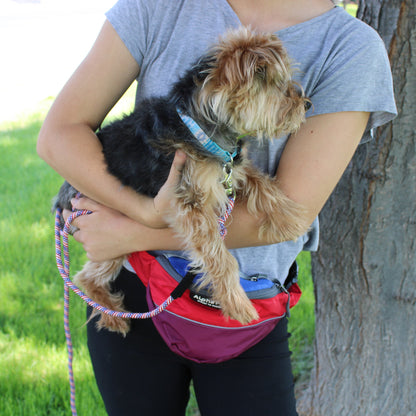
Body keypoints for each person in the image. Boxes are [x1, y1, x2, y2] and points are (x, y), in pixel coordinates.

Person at [37, 0, 397, 415]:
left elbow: (285, 217)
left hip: (246, 300)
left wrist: (133, 229)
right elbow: (59, 134)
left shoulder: (349, 48)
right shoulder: (161, 7)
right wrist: (142, 210)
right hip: (134, 288)